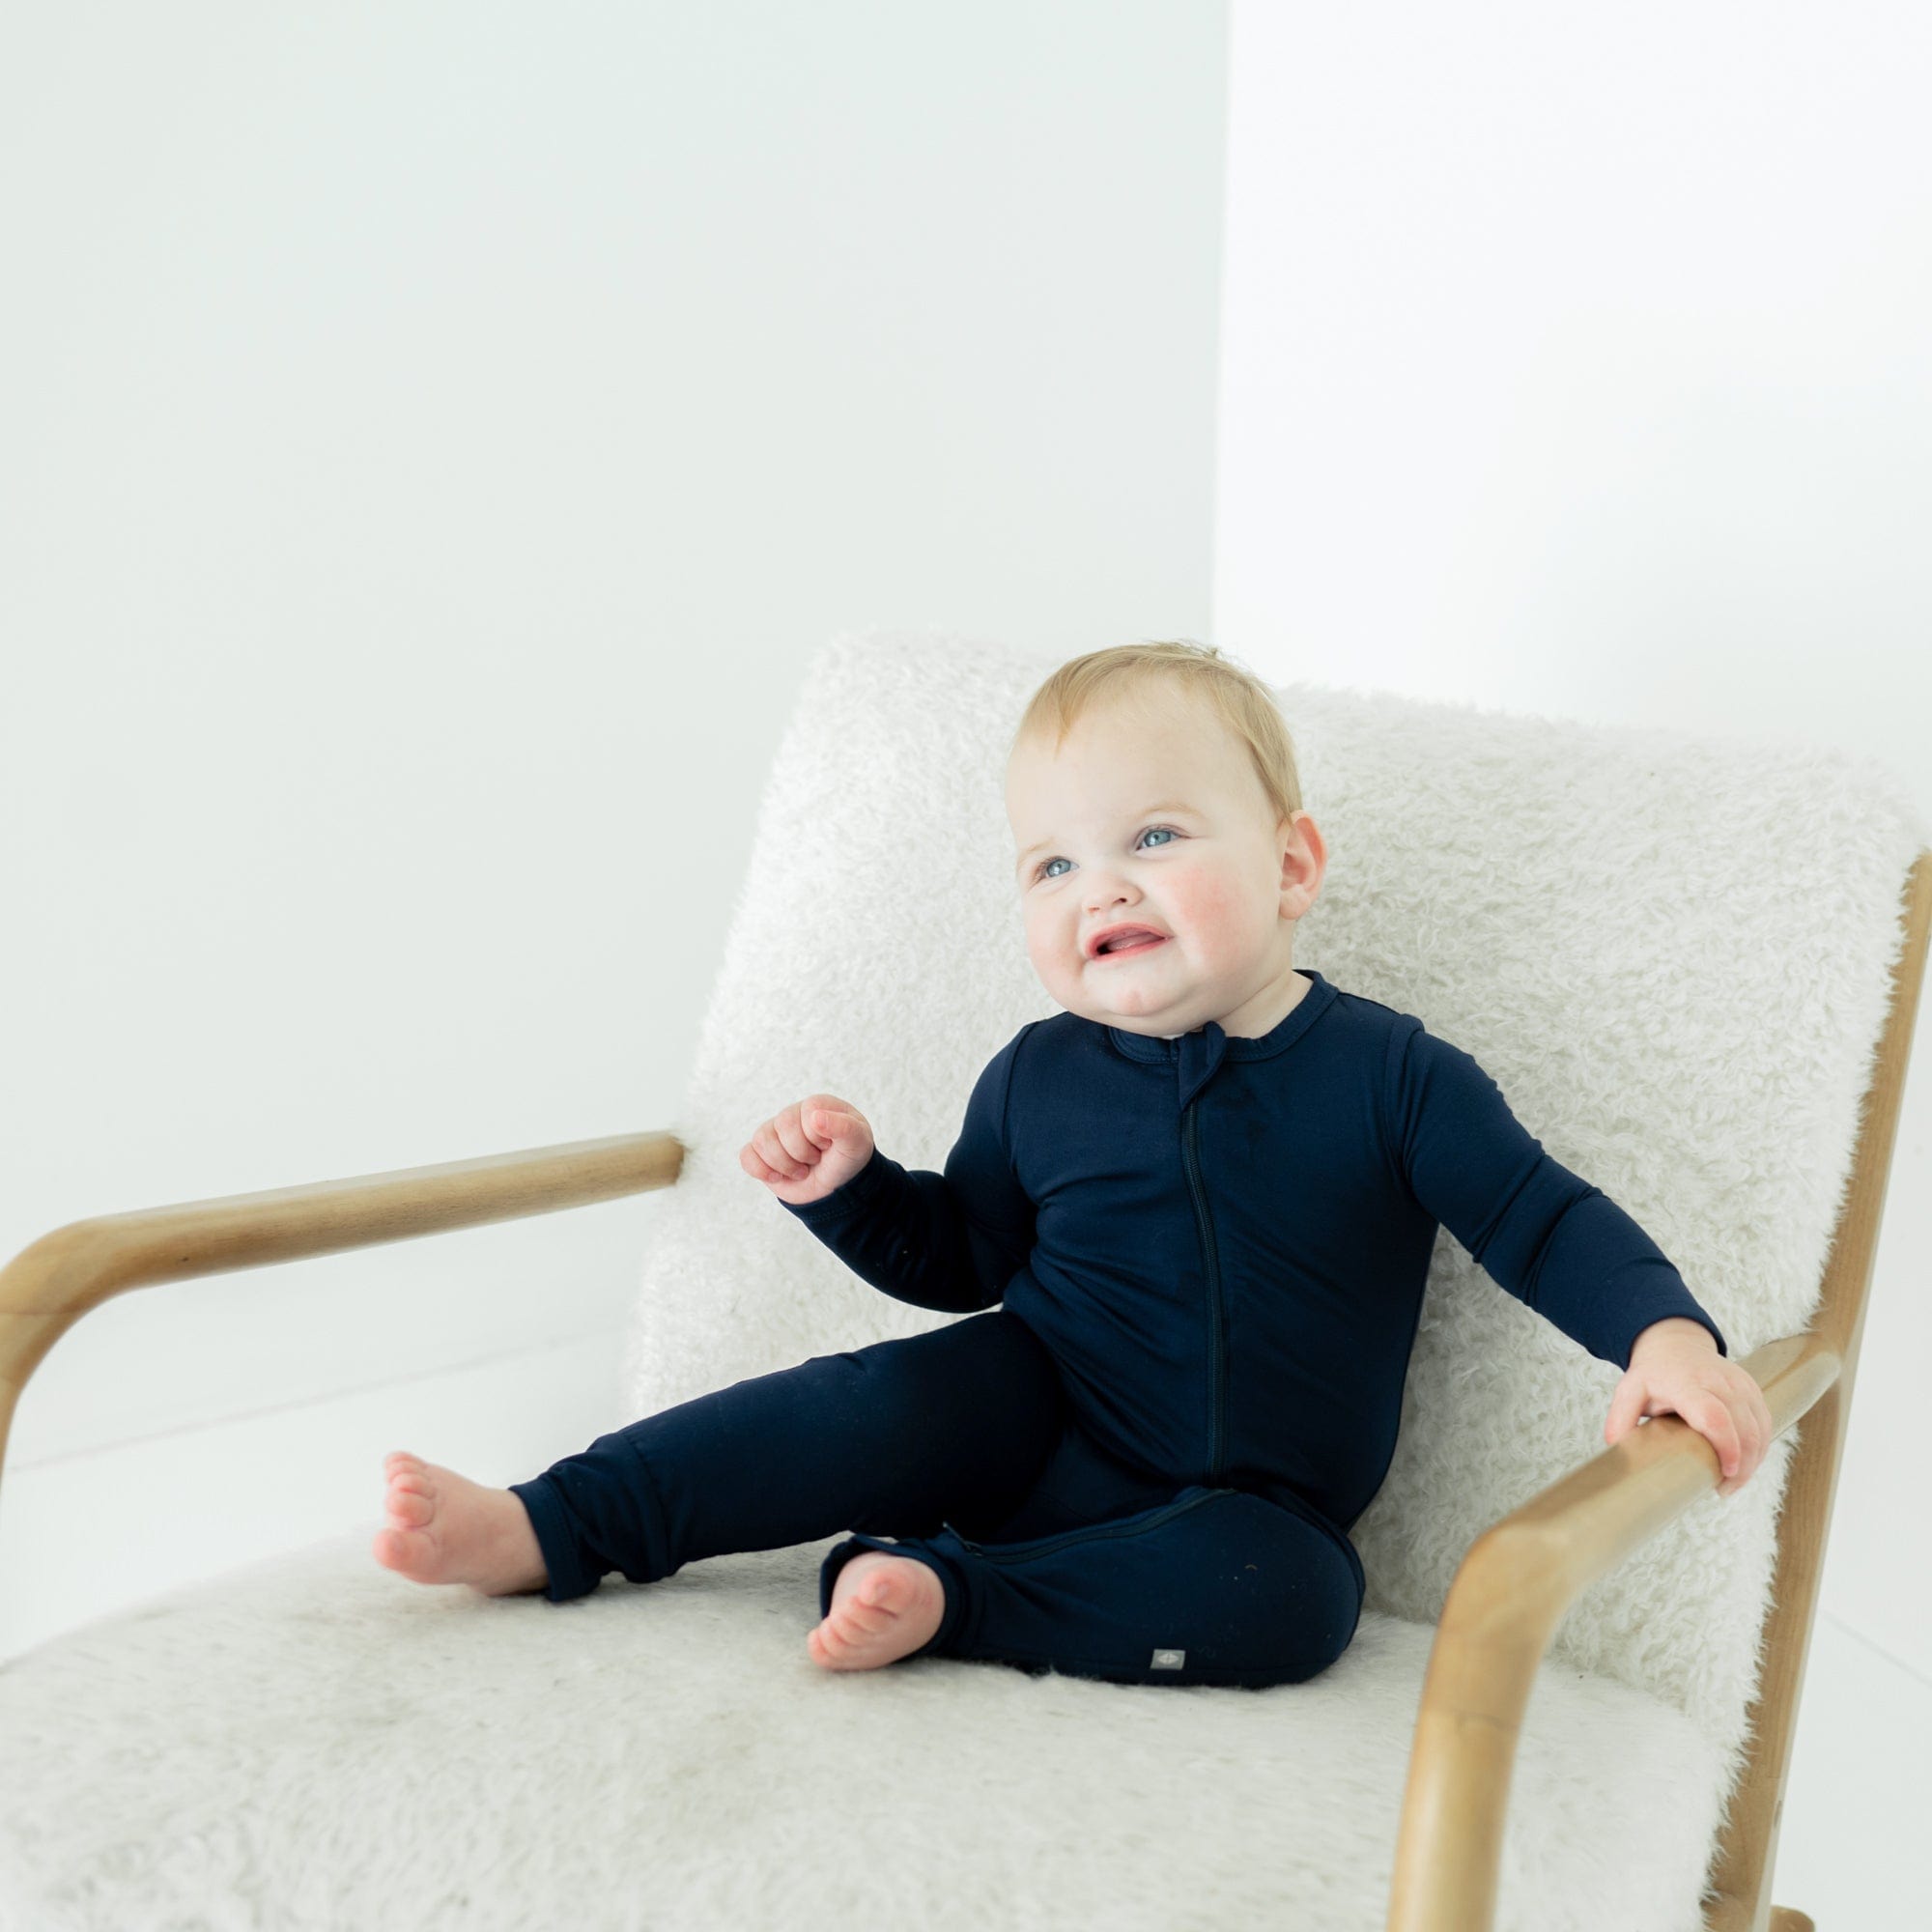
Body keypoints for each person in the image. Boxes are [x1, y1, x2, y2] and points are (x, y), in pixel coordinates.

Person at [372, 641, 1773, 1689]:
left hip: (1253, 1506)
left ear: (1292, 866)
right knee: (871, 1401)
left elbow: (1541, 1217)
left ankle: (950, 1596)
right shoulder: (1039, 1076)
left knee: (1301, 1604)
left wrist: (1663, 1334)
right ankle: (554, 1523)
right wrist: (853, 1192)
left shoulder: (1391, 1076)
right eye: (1050, 865)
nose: (1100, 885)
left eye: (1155, 837)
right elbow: (962, 1257)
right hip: (1025, 1417)